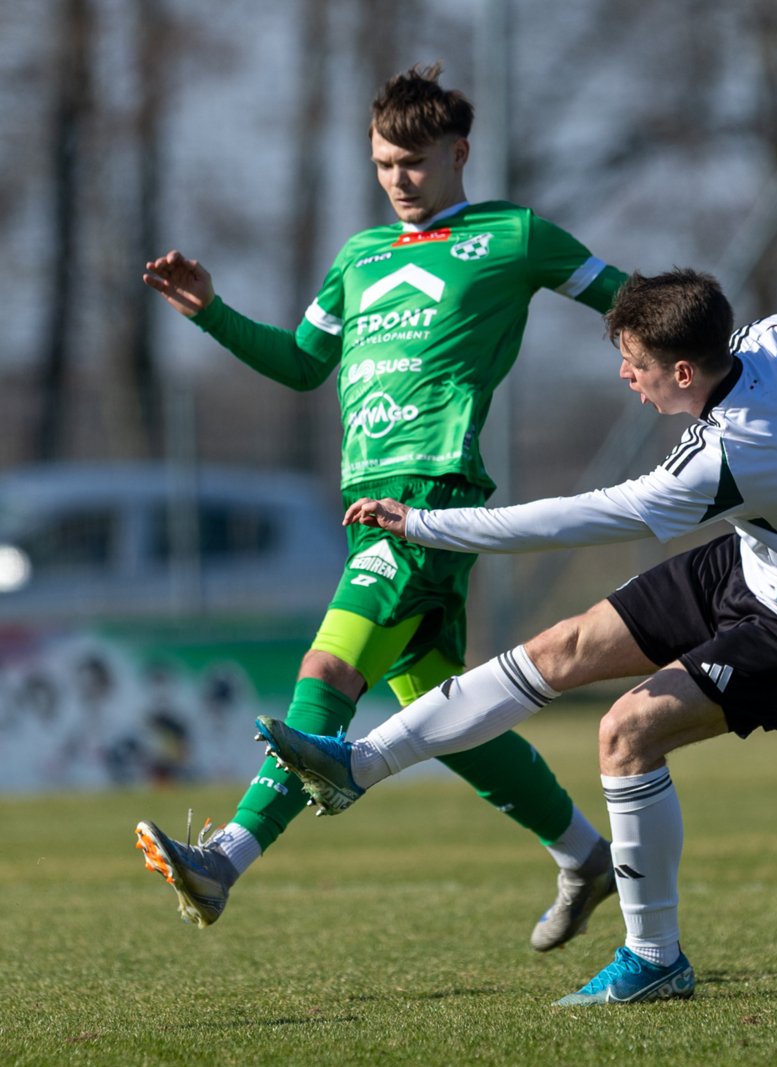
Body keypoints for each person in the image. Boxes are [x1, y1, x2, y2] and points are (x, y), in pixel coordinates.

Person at [255, 267, 777, 1006]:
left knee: (626, 731)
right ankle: (354, 766)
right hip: (758, 564)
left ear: (682, 371)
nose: (625, 375)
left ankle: (655, 956)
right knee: (562, 649)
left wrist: (429, 524)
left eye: (635, 363)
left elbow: (581, 517)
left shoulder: (726, 459)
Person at [133, 62, 631, 950]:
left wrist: (706, 364)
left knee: (326, 676)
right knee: (448, 716)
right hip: (371, 505)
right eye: (382, 165)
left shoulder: (513, 236)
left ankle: (227, 859)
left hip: (431, 497)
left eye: (413, 161)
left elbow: (632, 303)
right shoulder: (359, 259)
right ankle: (585, 853)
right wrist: (211, 311)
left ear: (458, 152)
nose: (398, 179)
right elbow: (299, 363)